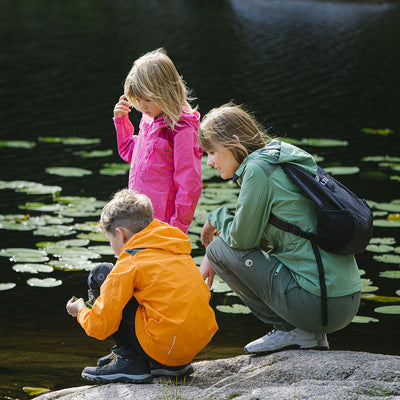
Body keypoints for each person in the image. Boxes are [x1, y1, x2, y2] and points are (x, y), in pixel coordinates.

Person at [198, 103, 361, 354]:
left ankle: (290, 330)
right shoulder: (282, 155)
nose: (209, 162)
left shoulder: (256, 170)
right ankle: (307, 333)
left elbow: (241, 240)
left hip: (319, 306)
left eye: (211, 152)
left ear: (233, 141)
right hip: (345, 300)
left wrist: (216, 217)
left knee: (219, 249)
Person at [66, 189, 218, 383]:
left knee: (101, 273)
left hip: (164, 346)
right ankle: (166, 365)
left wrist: (80, 310)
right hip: (191, 346)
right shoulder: (174, 246)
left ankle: (129, 359)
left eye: (110, 240)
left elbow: (100, 326)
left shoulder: (130, 261)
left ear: (120, 235)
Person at [112, 48, 203, 234]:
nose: (142, 106)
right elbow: (130, 153)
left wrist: (177, 226)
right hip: (138, 216)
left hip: (163, 223)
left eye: (147, 99)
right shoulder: (149, 119)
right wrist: (121, 122)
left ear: (166, 92)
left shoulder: (182, 129)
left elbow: (189, 183)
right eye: (137, 100)